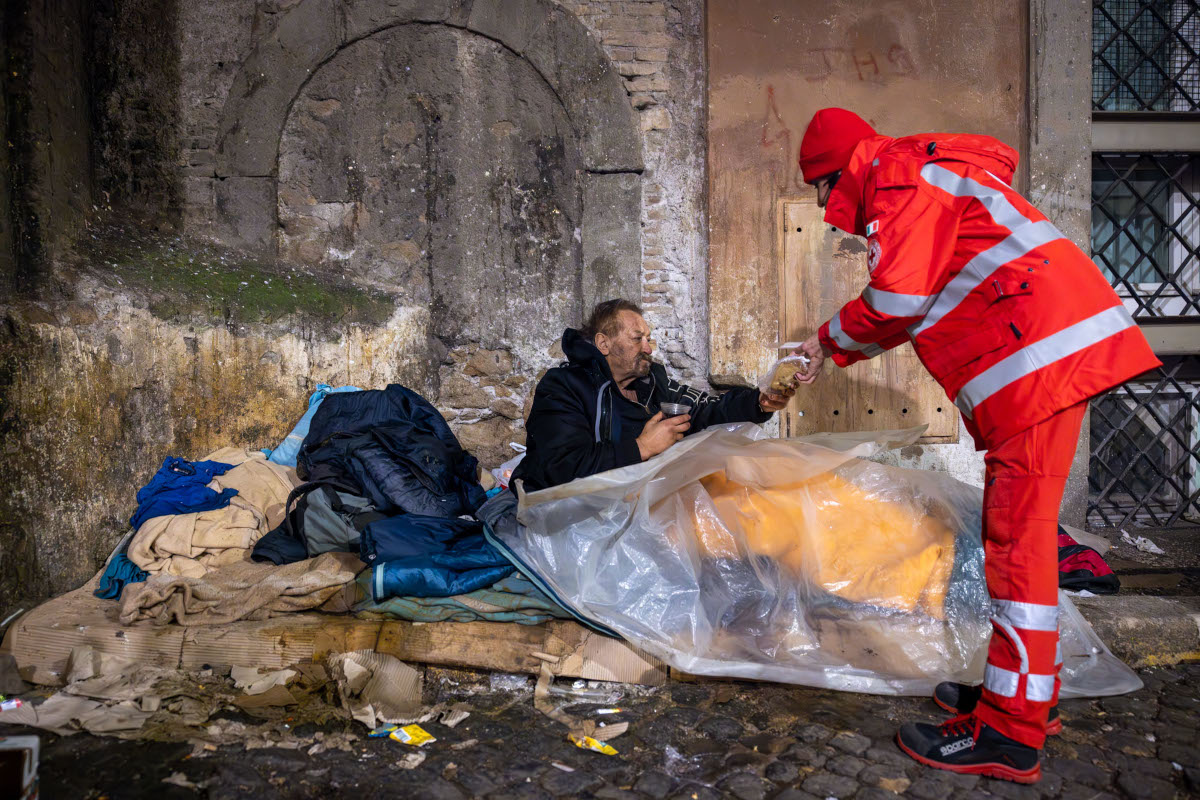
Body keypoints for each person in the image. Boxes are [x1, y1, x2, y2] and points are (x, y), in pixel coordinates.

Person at [792, 108, 1161, 784]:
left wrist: (826, 339)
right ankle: (1016, 697)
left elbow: (900, 300)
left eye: (820, 188)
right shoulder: (924, 168)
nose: (824, 209)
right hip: (1041, 358)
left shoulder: (895, 177)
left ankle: (1010, 734)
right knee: (1018, 542)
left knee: (1018, 548)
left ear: (837, 172)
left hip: (1037, 364)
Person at [512, 299, 794, 492]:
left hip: (632, 504)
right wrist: (642, 447)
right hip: (572, 515)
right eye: (637, 338)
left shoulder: (651, 383)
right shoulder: (564, 386)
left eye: (649, 339)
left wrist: (758, 401)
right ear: (603, 343)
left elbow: (706, 410)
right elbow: (559, 467)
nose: (648, 348)